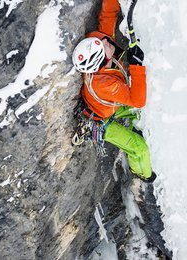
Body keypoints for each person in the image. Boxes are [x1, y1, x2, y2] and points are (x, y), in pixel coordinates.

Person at [71, 0, 156, 183]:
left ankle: (136, 128)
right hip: (101, 121)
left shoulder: (102, 46)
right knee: (139, 147)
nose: (106, 39)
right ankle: (142, 172)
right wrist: (136, 67)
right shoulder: (104, 84)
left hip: (108, 106)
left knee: (142, 112)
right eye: (103, 44)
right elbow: (137, 100)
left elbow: (108, 16)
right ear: (102, 60)